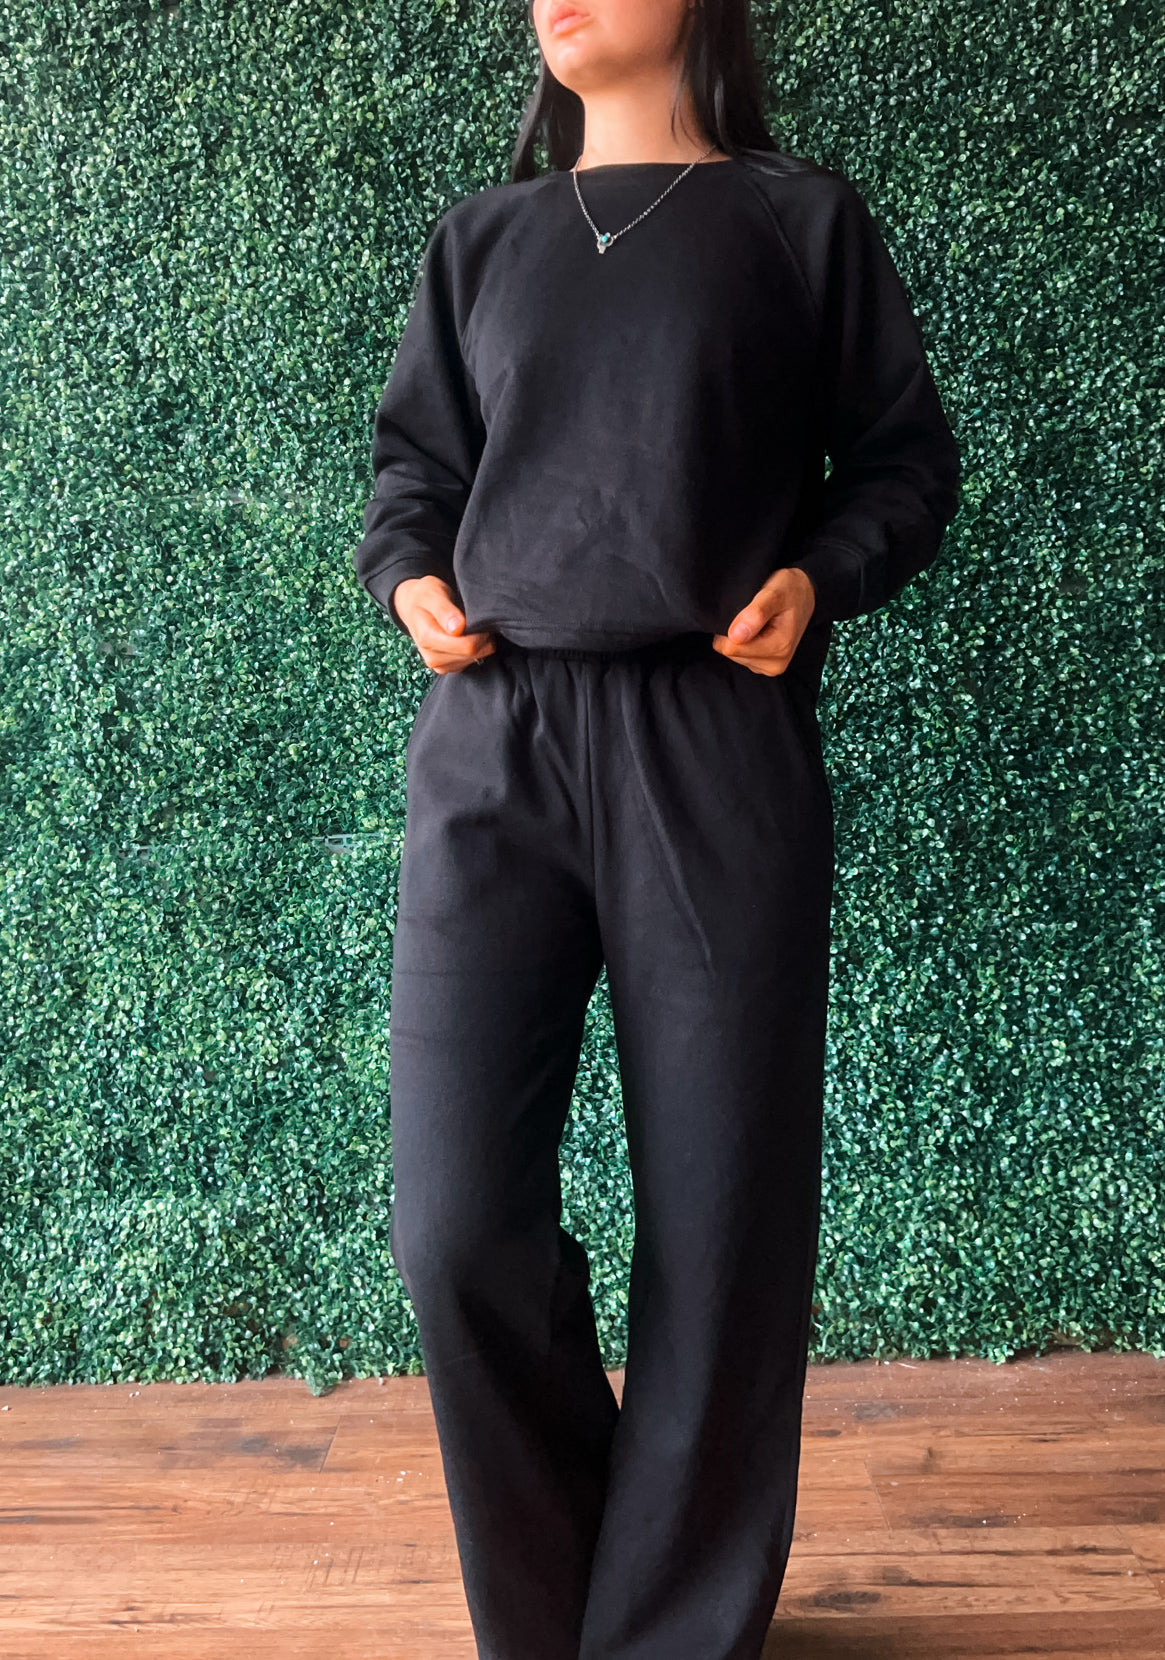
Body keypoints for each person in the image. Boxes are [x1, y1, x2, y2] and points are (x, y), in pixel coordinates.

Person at [353, 1, 961, 1655]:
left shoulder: (796, 222)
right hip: (492, 744)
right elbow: (413, 471)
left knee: (721, 1216)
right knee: (452, 1224)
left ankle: (668, 1634)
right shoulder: (481, 239)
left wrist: (817, 577)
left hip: (710, 738)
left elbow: (903, 462)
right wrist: (409, 580)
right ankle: (565, 1613)